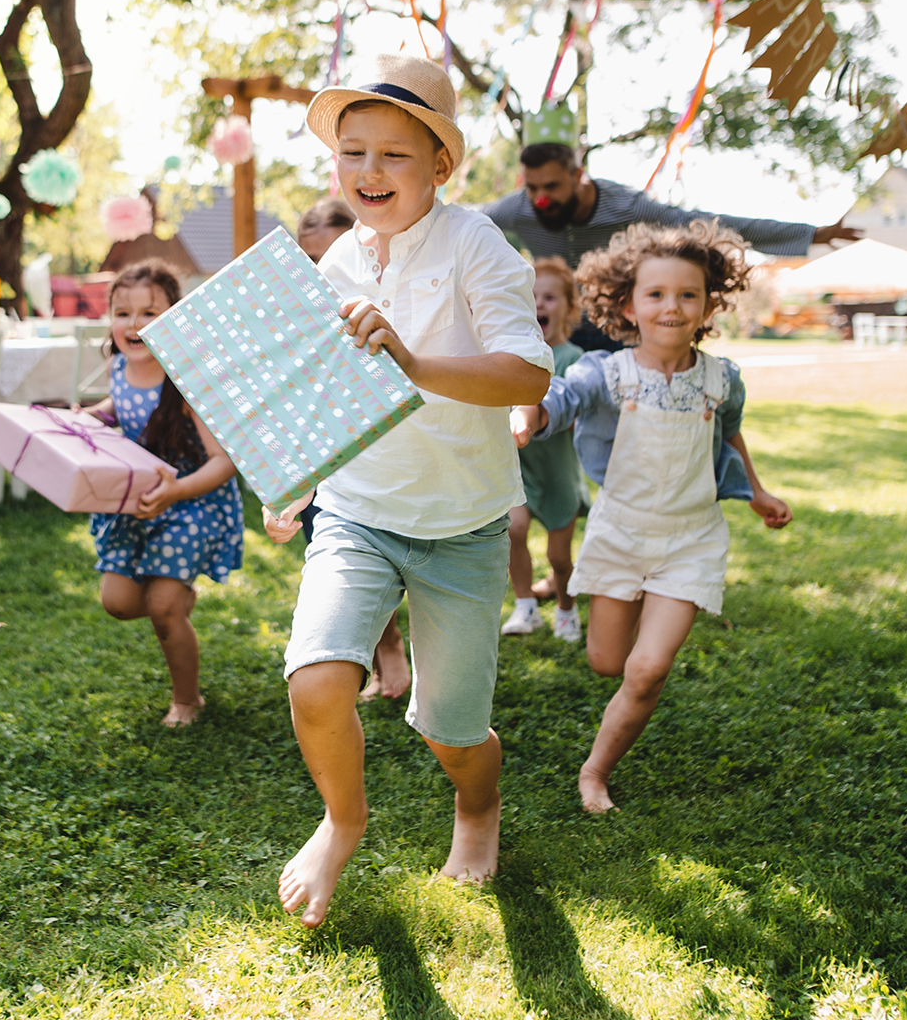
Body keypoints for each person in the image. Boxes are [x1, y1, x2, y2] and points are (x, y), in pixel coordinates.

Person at [263, 53, 554, 926]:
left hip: (462, 525)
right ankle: (342, 821)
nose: (369, 172)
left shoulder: (475, 244)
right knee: (316, 680)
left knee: (450, 732)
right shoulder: (336, 261)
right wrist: (293, 480)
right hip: (357, 511)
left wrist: (416, 362)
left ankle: (477, 806)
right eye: (353, 152)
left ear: (439, 165)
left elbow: (529, 374)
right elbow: (322, 392)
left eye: (393, 154)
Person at [512, 220, 791, 814]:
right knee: (606, 662)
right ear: (627, 303)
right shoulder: (605, 373)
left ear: (709, 303)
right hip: (619, 533)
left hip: (691, 540)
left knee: (645, 670)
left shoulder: (723, 380)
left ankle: (595, 772)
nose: (672, 307)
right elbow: (561, 402)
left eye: (688, 295)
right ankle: (638, 622)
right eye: (656, 294)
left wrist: (757, 493)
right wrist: (530, 415)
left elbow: (729, 436)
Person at [481, 143, 861, 351]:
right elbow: (466, 222)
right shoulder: (519, 208)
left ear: (579, 176)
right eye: (532, 187)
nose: (540, 198)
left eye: (551, 187)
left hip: (618, 324)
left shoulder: (627, 206)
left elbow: (710, 223)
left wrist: (812, 234)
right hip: (558, 328)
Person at [80, 260, 244, 728]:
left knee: (162, 608)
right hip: (143, 501)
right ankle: (175, 598)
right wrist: (90, 417)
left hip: (192, 501)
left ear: (175, 318)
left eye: (150, 313)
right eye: (123, 313)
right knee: (118, 602)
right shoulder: (118, 368)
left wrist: (177, 493)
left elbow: (223, 462)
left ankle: (187, 700)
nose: (134, 325)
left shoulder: (188, 381)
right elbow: (121, 405)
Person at [295, 196, 411, 702]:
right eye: (310, 262)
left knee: (383, 553)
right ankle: (383, 646)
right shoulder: (294, 319)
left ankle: (397, 649)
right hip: (317, 457)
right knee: (331, 553)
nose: (321, 274)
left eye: (329, 259)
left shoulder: (377, 308)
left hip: (381, 458)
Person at [502, 258, 593, 641]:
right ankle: (525, 607)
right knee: (513, 531)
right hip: (519, 469)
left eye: (550, 297)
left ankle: (566, 611)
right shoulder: (510, 356)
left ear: (570, 308)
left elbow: (579, 411)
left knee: (559, 556)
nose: (539, 304)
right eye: (531, 296)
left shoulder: (576, 360)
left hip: (558, 474)